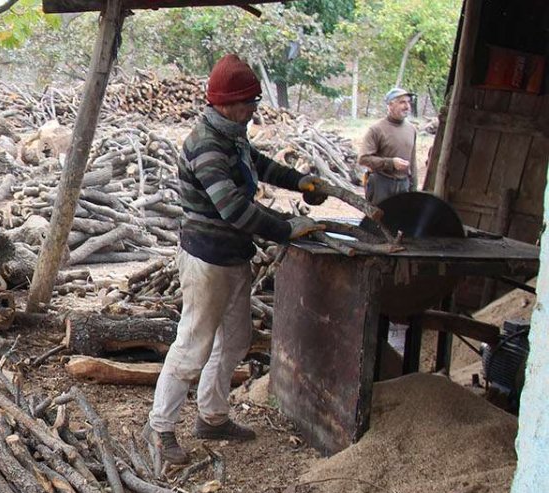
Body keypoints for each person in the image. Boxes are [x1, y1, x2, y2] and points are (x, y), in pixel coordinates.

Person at [143, 54, 325, 464]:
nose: (253, 111)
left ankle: (212, 416)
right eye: (248, 104)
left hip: (233, 255)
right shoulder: (205, 145)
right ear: (225, 103)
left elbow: (256, 165)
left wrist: (299, 181)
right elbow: (234, 210)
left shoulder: (232, 134)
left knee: (236, 340)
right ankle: (160, 428)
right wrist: (286, 227)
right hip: (207, 260)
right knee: (193, 346)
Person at [358, 87, 417, 205]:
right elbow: (363, 159)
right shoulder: (376, 129)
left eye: (408, 102)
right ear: (390, 105)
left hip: (403, 185)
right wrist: (391, 163)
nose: (407, 106)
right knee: (378, 222)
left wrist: (413, 188)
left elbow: (413, 161)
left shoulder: (411, 129)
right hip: (381, 184)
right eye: (402, 102)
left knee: (401, 222)